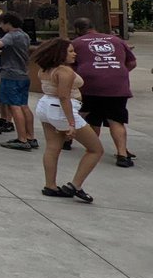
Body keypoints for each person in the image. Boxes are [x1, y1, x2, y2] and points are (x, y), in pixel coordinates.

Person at [32, 37, 104, 202]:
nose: (74, 54)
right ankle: (75, 185)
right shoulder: (64, 71)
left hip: (45, 105)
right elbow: (64, 97)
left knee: (52, 147)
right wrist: (71, 123)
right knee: (95, 149)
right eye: (70, 51)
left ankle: (50, 185)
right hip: (62, 109)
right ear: (60, 53)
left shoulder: (44, 69)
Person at [72, 17, 137, 168]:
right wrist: (117, 73)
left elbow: (70, 65)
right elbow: (132, 62)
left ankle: (91, 148)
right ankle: (122, 154)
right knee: (116, 120)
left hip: (90, 86)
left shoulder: (77, 43)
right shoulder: (117, 40)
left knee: (90, 117)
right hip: (117, 87)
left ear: (77, 30)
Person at [0, 12, 36, 151]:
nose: (1, 26)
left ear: (8, 23)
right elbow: (17, 51)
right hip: (23, 74)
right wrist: (1, 53)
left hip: (11, 74)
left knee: (14, 106)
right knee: (24, 106)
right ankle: (30, 137)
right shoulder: (24, 35)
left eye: (2, 23)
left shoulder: (11, 35)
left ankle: (21, 139)